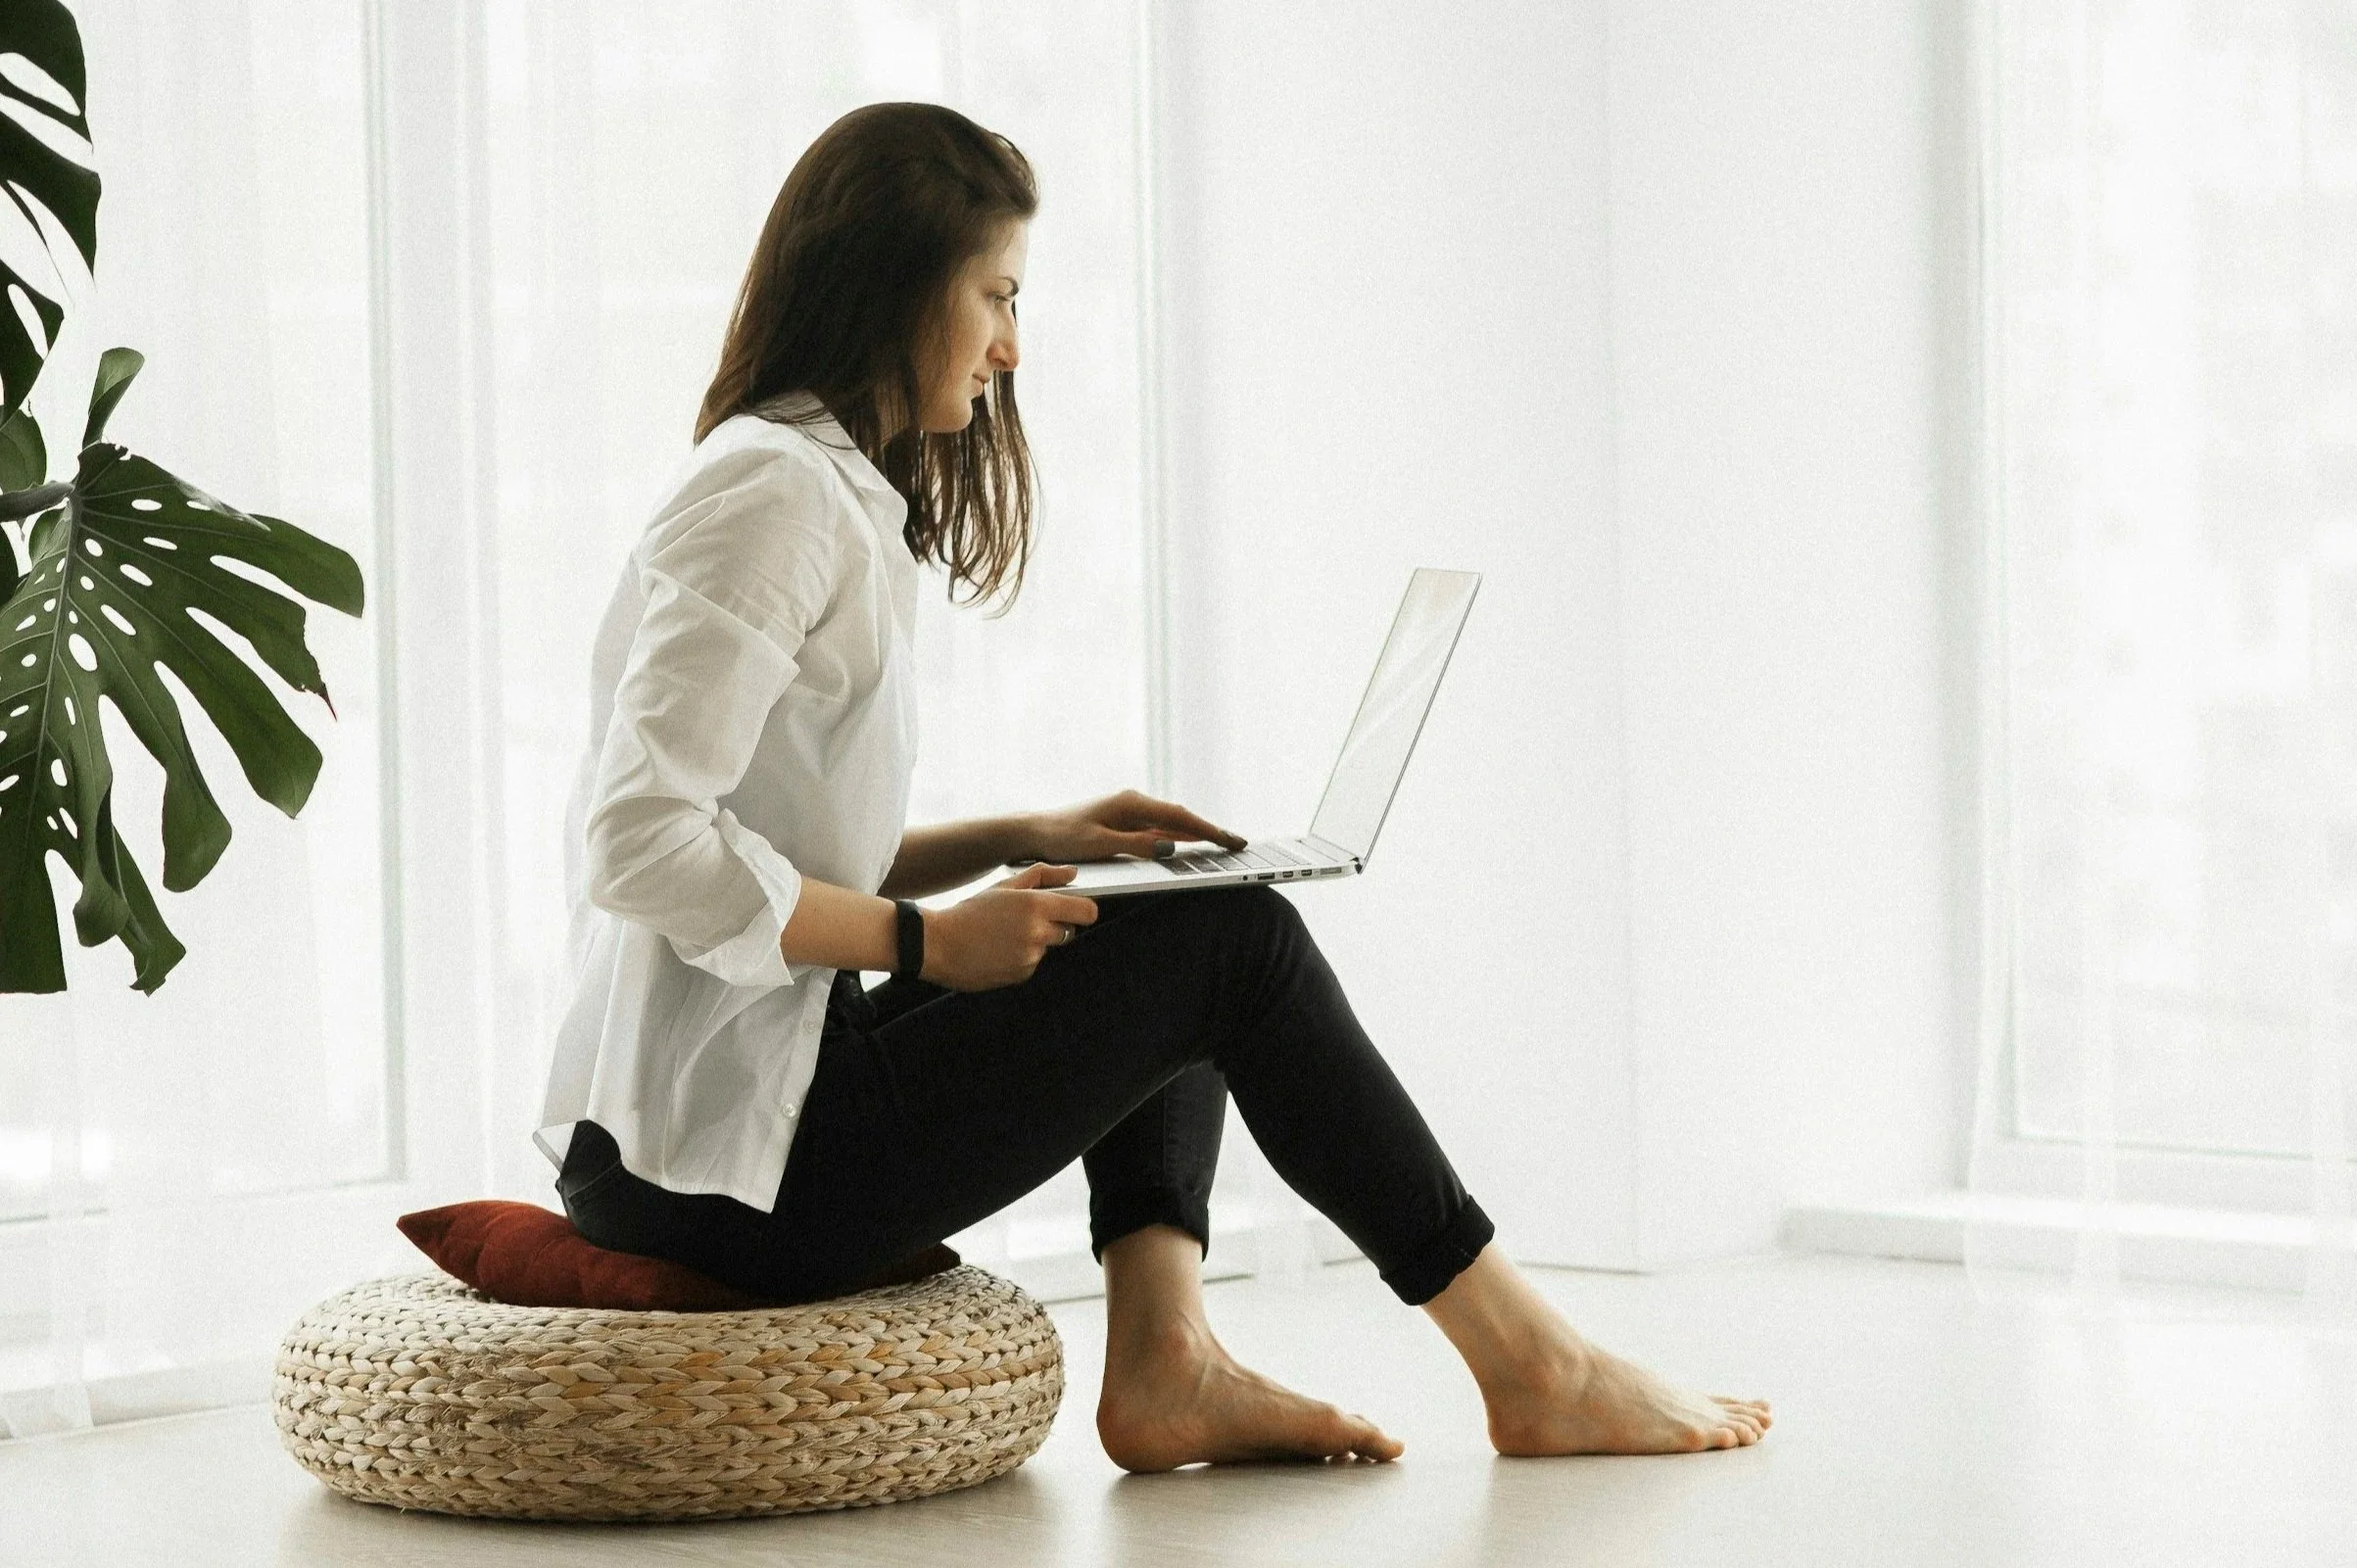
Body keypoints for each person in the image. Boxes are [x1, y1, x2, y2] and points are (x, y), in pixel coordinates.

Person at [536, 101, 1769, 1471]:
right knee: (1230, 946)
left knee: (1144, 903)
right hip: (719, 1178)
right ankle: (1530, 1364)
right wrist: (926, 943)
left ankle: (1171, 1361)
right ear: (895, 287)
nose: (1011, 344)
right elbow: (642, 845)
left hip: (743, 1123)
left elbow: (762, 845)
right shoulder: (770, 492)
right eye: (995, 295)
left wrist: (1022, 839)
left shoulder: (821, 487)